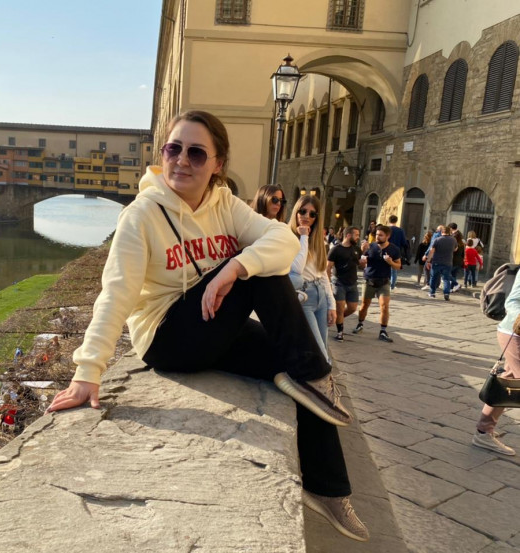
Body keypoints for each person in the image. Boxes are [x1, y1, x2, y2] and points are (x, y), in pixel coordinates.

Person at [47, 111, 369, 541]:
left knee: (295, 368)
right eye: (173, 149)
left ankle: (328, 489)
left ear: (218, 164)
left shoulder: (225, 204)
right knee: (268, 287)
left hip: (214, 327)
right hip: (167, 337)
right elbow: (116, 293)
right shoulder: (142, 215)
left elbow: (283, 239)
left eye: (196, 153)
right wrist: (88, 371)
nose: (181, 160)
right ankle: (319, 376)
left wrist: (233, 267)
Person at [472, 270, 520, 456]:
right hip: (515, 334)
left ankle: (484, 431)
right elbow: (513, 302)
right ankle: (483, 432)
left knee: (508, 382)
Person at [288, 195, 337, 360]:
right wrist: (303, 237)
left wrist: (332, 305)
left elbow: (322, 274)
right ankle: (322, 373)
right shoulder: (288, 237)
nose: (306, 216)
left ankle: (322, 372)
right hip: (304, 295)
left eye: (312, 214)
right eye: (302, 211)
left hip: (320, 294)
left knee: (323, 346)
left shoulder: (317, 241)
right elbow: (296, 269)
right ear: (296, 212)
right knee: (317, 348)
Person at [253, 185, 307, 304]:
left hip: (275, 279)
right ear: (263, 198)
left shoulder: (282, 227)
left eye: (282, 201)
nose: (278, 204)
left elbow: (296, 266)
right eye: (274, 199)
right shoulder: (251, 222)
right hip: (255, 277)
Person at [353, 224, 401, 342]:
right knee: (364, 305)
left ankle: (383, 331)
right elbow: (361, 264)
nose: (377, 237)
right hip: (369, 280)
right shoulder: (370, 246)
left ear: (387, 236)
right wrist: (363, 254)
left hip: (384, 281)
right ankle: (360, 324)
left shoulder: (394, 249)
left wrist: (390, 262)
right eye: (376, 235)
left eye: (380, 235)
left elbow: (398, 266)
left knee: (384, 306)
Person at [328, 226, 366, 342]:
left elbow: (360, 266)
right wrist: (328, 284)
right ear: (348, 235)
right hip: (339, 282)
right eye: (356, 235)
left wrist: (363, 263)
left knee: (352, 308)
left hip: (352, 283)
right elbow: (328, 267)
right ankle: (340, 332)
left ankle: (336, 317)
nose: (358, 237)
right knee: (340, 308)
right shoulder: (336, 249)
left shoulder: (356, 249)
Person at [426, 226, 457, 300]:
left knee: (434, 277)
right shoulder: (453, 240)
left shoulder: (437, 240)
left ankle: (432, 293)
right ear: (449, 232)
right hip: (448, 262)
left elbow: (432, 251)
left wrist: (428, 261)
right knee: (446, 278)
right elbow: (455, 249)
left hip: (437, 261)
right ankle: (446, 293)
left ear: (441, 232)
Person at [387, 215, 408, 290]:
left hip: (386, 249)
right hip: (396, 251)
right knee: (394, 269)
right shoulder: (400, 230)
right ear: (396, 221)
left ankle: (385, 283)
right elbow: (404, 242)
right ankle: (392, 285)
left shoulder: (386, 229)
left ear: (389, 220)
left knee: (385, 267)